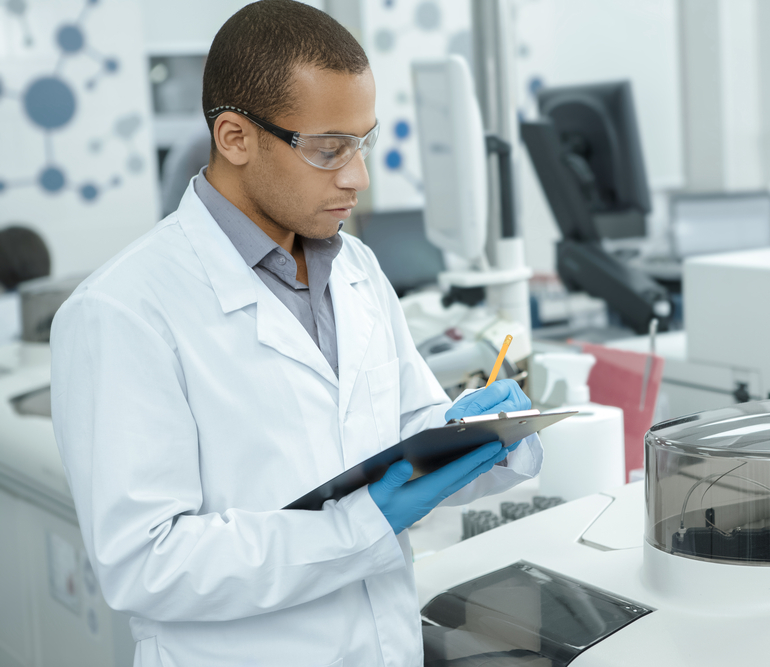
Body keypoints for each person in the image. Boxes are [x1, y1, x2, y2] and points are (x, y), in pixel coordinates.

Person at [49, 2, 542, 666]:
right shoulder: (123, 309)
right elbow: (147, 562)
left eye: (361, 143)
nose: (357, 178)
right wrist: (362, 525)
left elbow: (402, 431)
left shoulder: (356, 269)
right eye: (328, 149)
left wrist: (474, 436)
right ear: (234, 137)